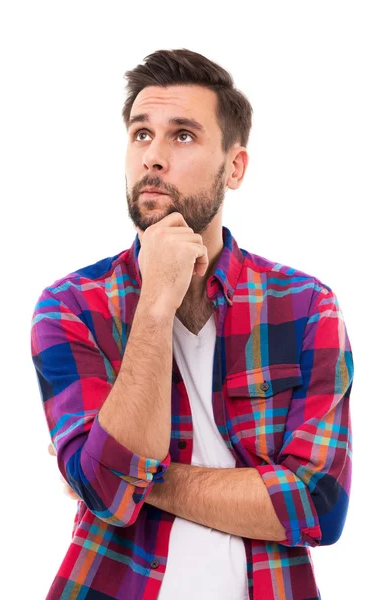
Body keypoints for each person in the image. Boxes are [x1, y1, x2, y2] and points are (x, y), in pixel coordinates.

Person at [30, 48, 354, 600]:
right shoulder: (70, 306)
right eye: (141, 134)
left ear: (234, 167)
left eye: (182, 136)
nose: (153, 157)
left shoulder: (304, 307)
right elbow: (110, 496)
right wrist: (155, 301)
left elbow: (319, 504)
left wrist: (134, 474)